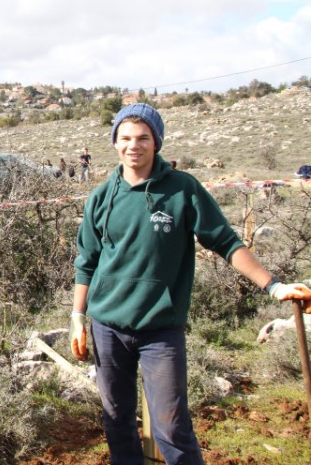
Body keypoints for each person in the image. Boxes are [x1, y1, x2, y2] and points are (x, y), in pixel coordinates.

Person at [69, 103, 311, 464]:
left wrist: (273, 286)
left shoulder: (183, 190)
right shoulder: (101, 197)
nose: (133, 146)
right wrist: (77, 316)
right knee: (116, 421)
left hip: (161, 330)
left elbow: (226, 242)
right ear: (115, 143)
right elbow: (86, 261)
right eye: (125, 138)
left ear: (157, 142)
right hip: (107, 327)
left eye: (143, 138)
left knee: (172, 428)